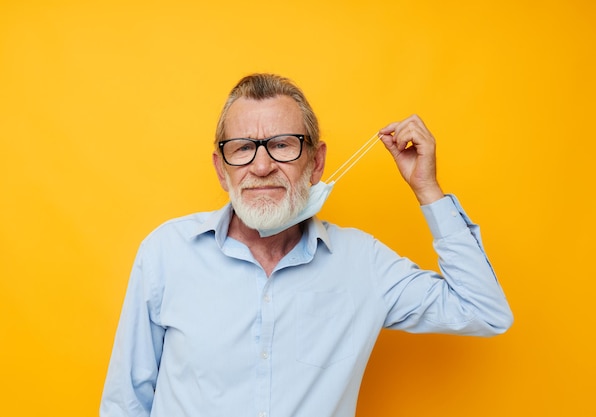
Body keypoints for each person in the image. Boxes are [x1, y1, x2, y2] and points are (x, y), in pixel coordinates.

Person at [100, 73, 513, 417]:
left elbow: (484, 311)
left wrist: (428, 189)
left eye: (282, 145)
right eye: (243, 149)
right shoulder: (166, 253)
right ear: (221, 170)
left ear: (316, 162)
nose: (262, 167)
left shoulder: (363, 263)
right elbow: (125, 402)